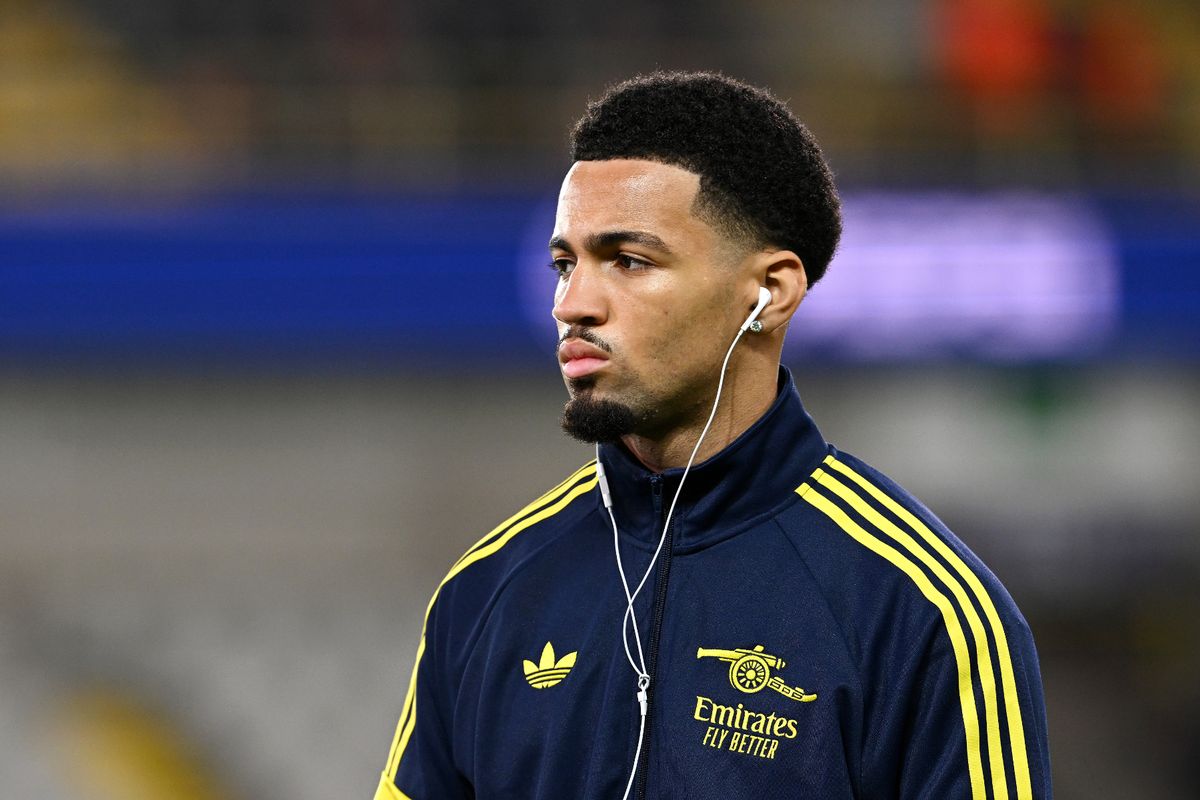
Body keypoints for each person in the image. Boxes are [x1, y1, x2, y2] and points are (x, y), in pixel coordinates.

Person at [375, 71, 1052, 800]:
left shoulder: (925, 612)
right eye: (565, 264)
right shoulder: (485, 591)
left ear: (770, 293)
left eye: (629, 261)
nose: (572, 304)